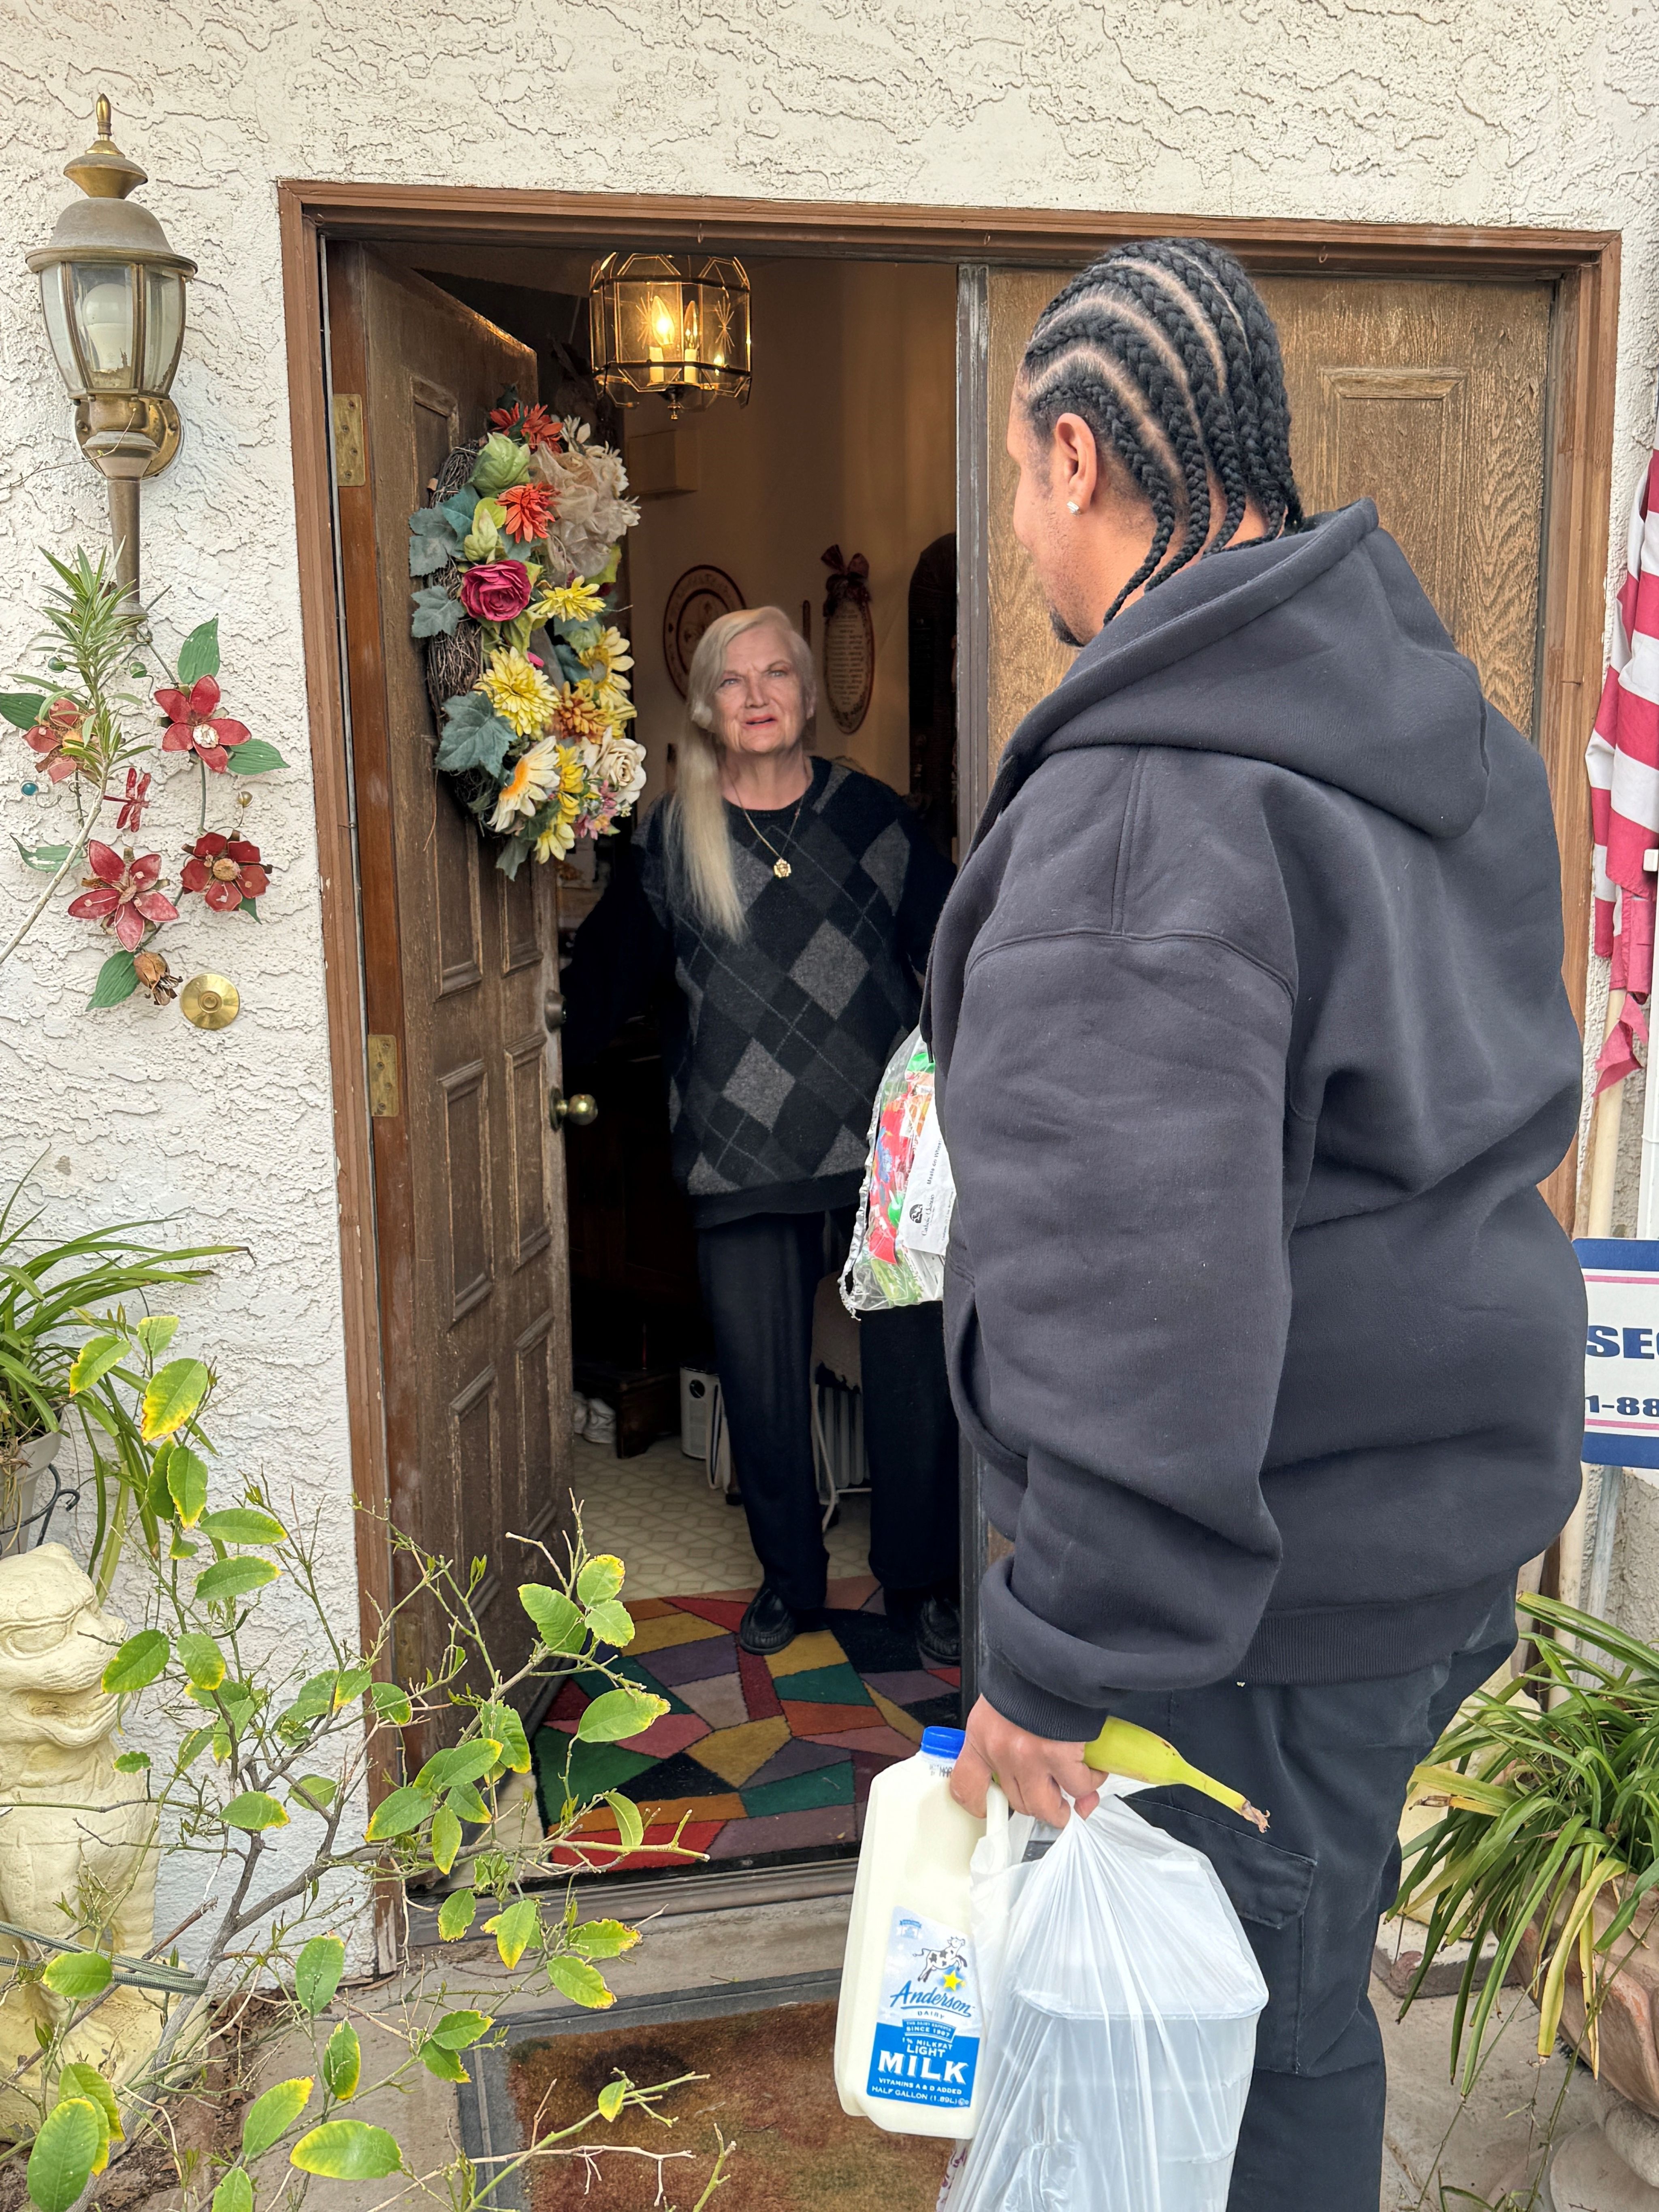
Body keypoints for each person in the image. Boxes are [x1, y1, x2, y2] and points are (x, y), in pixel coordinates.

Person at [933, 238, 1585, 2210]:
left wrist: (1057, 1655)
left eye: (1021, 474)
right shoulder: (1426, 723)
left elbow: (1144, 1293)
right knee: (1291, 1990)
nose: (1021, 525)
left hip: (1259, 1591)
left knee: (1246, 2041)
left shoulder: (1156, 802)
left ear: (1075, 457)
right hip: (1416, 1532)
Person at [563, 605, 961, 1662]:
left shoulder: (870, 818)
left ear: (807, 693)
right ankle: (791, 1582)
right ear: (705, 705)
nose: (757, 696)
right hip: (738, 1149)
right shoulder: (670, 837)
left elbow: (955, 950)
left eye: (776, 673)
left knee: (914, 1379)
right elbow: (604, 980)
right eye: (733, 680)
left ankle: (922, 1581)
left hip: (880, 1153)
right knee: (762, 1387)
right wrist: (533, 1064)